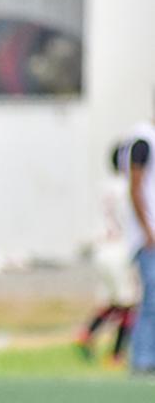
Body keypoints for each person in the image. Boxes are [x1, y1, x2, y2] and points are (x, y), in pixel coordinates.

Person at [76, 145, 136, 365]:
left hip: (102, 249)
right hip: (120, 248)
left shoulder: (104, 187)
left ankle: (87, 333)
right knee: (130, 303)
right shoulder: (130, 186)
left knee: (113, 300)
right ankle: (117, 354)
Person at [124, 111, 155, 374]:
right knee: (151, 299)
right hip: (149, 237)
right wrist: (147, 230)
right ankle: (143, 360)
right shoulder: (144, 140)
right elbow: (135, 187)